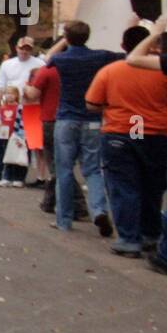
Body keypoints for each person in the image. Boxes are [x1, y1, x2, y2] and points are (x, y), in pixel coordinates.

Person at [85, 25, 167, 258]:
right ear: (152, 45)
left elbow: (92, 103)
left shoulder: (110, 71)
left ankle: (128, 238)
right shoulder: (165, 70)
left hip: (122, 132)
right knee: (153, 186)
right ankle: (151, 234)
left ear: (123, 46)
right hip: (157, 133)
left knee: (124, 186)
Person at [44, 21, 123, 235]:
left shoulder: (62, 59)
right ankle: (98, 210)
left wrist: (62, 41)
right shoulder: (100, 56)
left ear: (67, 38)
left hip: (67, 118)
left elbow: (47, 58)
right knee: (92, 169)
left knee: (64, 170)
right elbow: (125, 56)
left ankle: (64, 219)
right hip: (92, 117)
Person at [127, 15, 167, 275]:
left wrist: (155, 31)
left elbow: (134, 58)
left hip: (141, 129)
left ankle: (166, 254)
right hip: (158, 130)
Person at [24, 59, 86, 220]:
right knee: (72, 165)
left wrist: (26, 87)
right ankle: (50, 201)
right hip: (80, 121)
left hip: (52, 120)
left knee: (58, 166)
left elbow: (32, 95)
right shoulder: (81, 69)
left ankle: (78, 205)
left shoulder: (48, 71)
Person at [0, 36, 44, 184]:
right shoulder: (8, 64)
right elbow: (0, 87)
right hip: (9, 107)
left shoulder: (39, 64)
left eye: (28, 48)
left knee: (25, 142)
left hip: (31, 108)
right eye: (22, 48)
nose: (24, 51)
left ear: (32, 49)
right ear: (16, 48)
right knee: (1, 141)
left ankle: (19, 176)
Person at [0, 87, 28, 187]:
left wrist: (21, 134)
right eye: (7, 93)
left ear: (17, 95)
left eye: (12, 93)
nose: (9, 95)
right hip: (5, 136)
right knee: (8, 157)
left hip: (17, 136)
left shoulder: (19, 108)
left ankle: (19, 178)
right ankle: (7, 177)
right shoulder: (3, 107)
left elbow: (22, 121)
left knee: (18, 157)